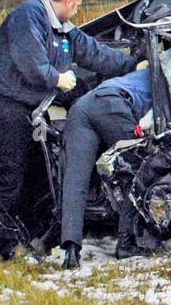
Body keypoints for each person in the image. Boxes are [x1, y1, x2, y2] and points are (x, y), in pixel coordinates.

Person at [0, 0, 137, 259]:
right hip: (7, 106)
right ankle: (8, 246)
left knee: (37, 175)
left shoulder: (62, 28)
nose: (76, 13)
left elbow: (93, 52)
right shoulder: (29, 16)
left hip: (33, 108)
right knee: (11, 174)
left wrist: (134, 64)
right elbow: (30, 61)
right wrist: (57, 78)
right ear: (69, 0)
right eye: (77, 7)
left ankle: (32, 238)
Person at [58, 67, 153, 270]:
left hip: (82, 107)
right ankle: (127, 243)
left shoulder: (135, 75)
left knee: (75, 179)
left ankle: (71, 250)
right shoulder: (168, 74)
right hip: (112, 103)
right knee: (136, 170)